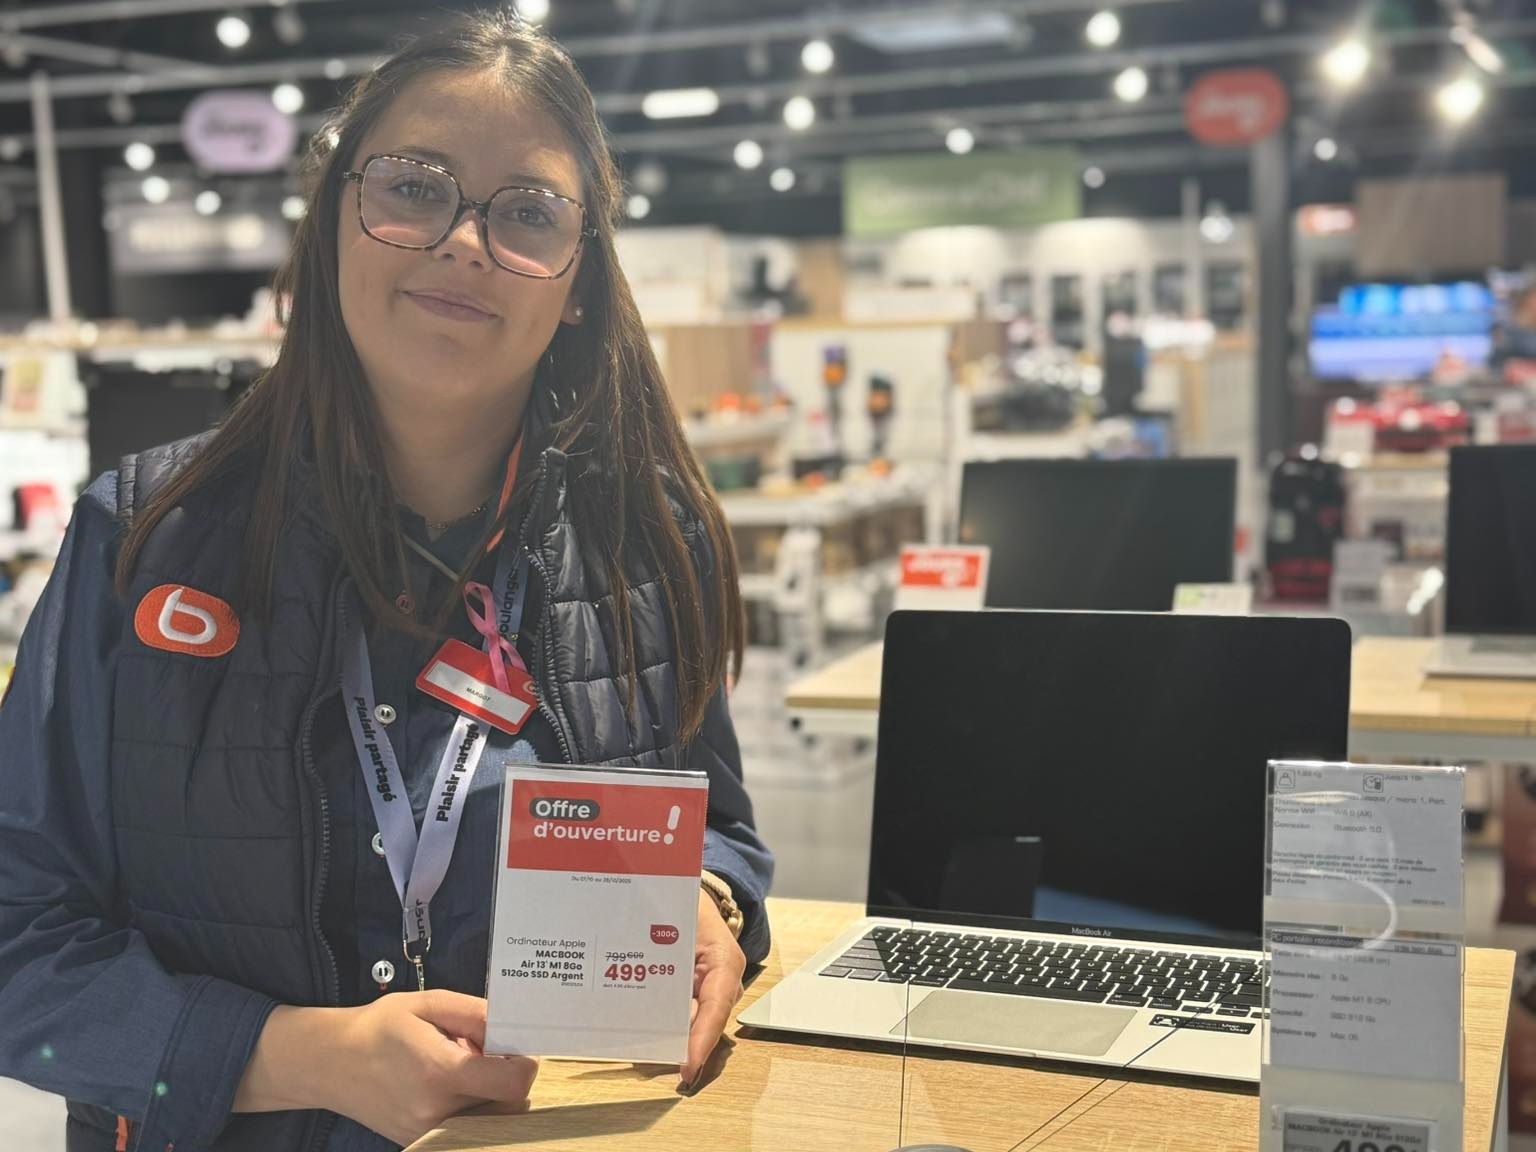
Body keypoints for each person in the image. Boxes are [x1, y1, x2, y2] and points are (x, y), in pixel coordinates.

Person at [0, 13, 773, 1151]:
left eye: (528, 213)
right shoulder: (147, 539)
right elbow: (18, 941)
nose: (465, 242)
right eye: (415, 187)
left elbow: (717, 827)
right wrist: (293, 1056)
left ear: (577, 284)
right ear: (332, 222)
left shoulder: (647, 547)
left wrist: (708, 903)